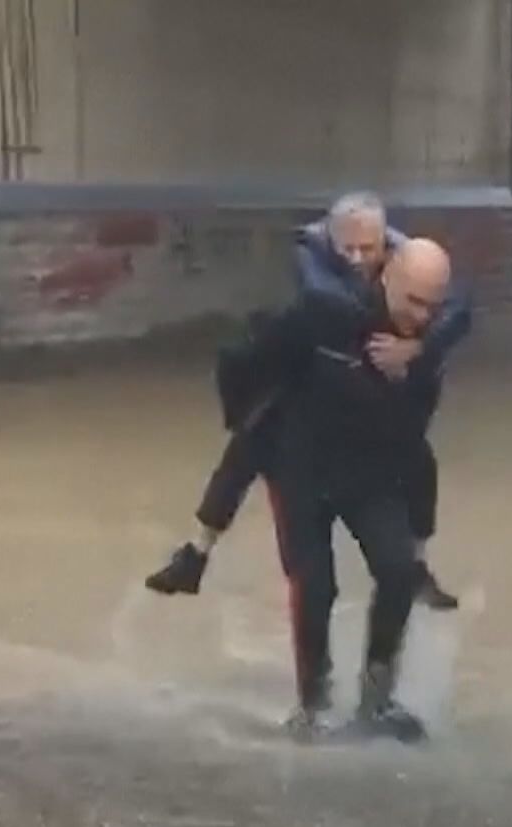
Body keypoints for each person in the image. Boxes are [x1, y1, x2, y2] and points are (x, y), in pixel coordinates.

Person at [144, 191, 469, 609]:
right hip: (305, 371)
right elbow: (319, 308)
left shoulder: (406, 257)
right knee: (247, 447)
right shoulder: (309, 257)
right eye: (347, 248)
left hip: (375, 382)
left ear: (385, 245)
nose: (356, 258)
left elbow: (459, 307)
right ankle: (196, 553)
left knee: (419, 461)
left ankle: (418, 566)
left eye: (367, 249)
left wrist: (418, 347)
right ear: (330, 241)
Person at [248, 238, 458, 741]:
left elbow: (414, 437)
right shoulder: (331, 311)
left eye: (433, 307)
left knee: (399, 571)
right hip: (302, 469)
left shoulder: (429, 341)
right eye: (414, 301)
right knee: (316, 585)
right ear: (387, 277)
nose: (422, 316)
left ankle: (377, 698)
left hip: (368, 472)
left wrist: (416, 359)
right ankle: (312, 705)